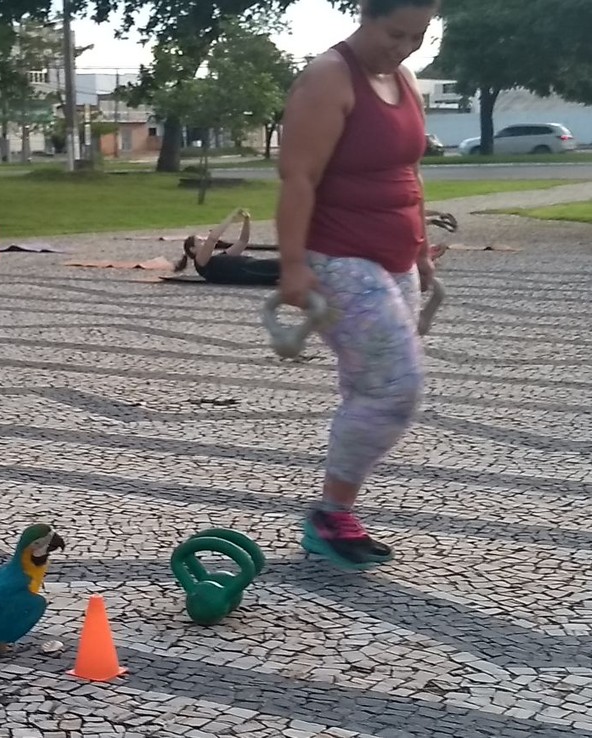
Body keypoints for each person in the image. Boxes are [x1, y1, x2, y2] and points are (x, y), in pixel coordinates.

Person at [275, 0, 439, 569]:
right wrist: (292, 265)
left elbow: (409, 171)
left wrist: (420, 247)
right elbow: (298, 177)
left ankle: (335, 513)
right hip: (338, 256)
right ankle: (330, 515)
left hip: (394, 256)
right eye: (396, 33)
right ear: (366, 14)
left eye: (418, 36)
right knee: (395, 387)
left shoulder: (404, 78)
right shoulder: (328, 77)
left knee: (367, 386)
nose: (405, 46)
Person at [172, 208, 281, 286]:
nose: (203, 242)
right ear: (193, 249)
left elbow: (242, 242)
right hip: (249, 270)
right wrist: (231, 217)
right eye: (199, 241)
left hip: (252, 266)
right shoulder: (200, 263)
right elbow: (212, 238)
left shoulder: (217, 261)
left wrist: (246, 221)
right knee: (284, 266)